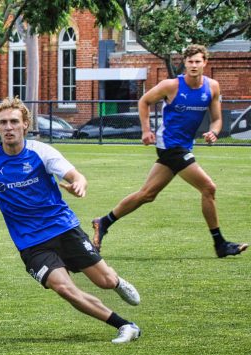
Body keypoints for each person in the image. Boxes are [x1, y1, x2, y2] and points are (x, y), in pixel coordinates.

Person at [0, 97, 142, 344]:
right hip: (31, 243)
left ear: (25, 125)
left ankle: (116, 282)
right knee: (65, 289)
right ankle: (126, 326)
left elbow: (75, 175)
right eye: (3, 123)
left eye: (13, 122)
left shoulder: (41, 152)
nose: (8, 127)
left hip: (63, 229)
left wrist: (78, 184)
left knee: (104, 281)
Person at [91, 44, 247, 258]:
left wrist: (214, 132)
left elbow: (217, 119)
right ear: (184, 63)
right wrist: (146, 130)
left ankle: (104, 222)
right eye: (190, 61)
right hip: (169, 145)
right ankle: (220, 244)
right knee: (209, 188)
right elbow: (144, 101)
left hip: (184, 146)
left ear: (205, 63)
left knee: (147, 194)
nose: (193, 65)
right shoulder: (171, 85)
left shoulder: (212, 87)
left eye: (197, 61)